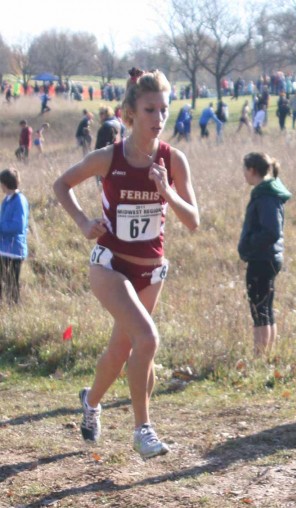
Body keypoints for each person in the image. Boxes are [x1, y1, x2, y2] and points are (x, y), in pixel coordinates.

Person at [53, 67, 199, 459]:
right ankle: (142, 429)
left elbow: (193, 221)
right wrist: (84, 222)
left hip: (151, 270)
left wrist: (165, 191)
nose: (159, 118)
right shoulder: (108, 158)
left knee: (121, 351)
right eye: (150, 110)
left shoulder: (174, 160)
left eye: (164, 110)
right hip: (110, 265)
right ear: (131, 114)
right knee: (147, 338)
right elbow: (61, 185)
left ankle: (91, 401)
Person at [238, 153, 291, 358]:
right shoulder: (268, 192)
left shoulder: (265, 195)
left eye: (244, 169)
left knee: (259, 310)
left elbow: (271, 231)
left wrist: (249, 245)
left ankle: (259, 357)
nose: (243, 174)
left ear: (252, 170)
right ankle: (265, 356)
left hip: (261, 259)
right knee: (265, 309)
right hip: (268, 257)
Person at [0, 168, 29, 304]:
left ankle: (14, 308)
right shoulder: (7, 199)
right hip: (4, 248)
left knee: (12, 284)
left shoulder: (19, 201)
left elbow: (18, 226)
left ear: (5, 184)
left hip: (14, 250)